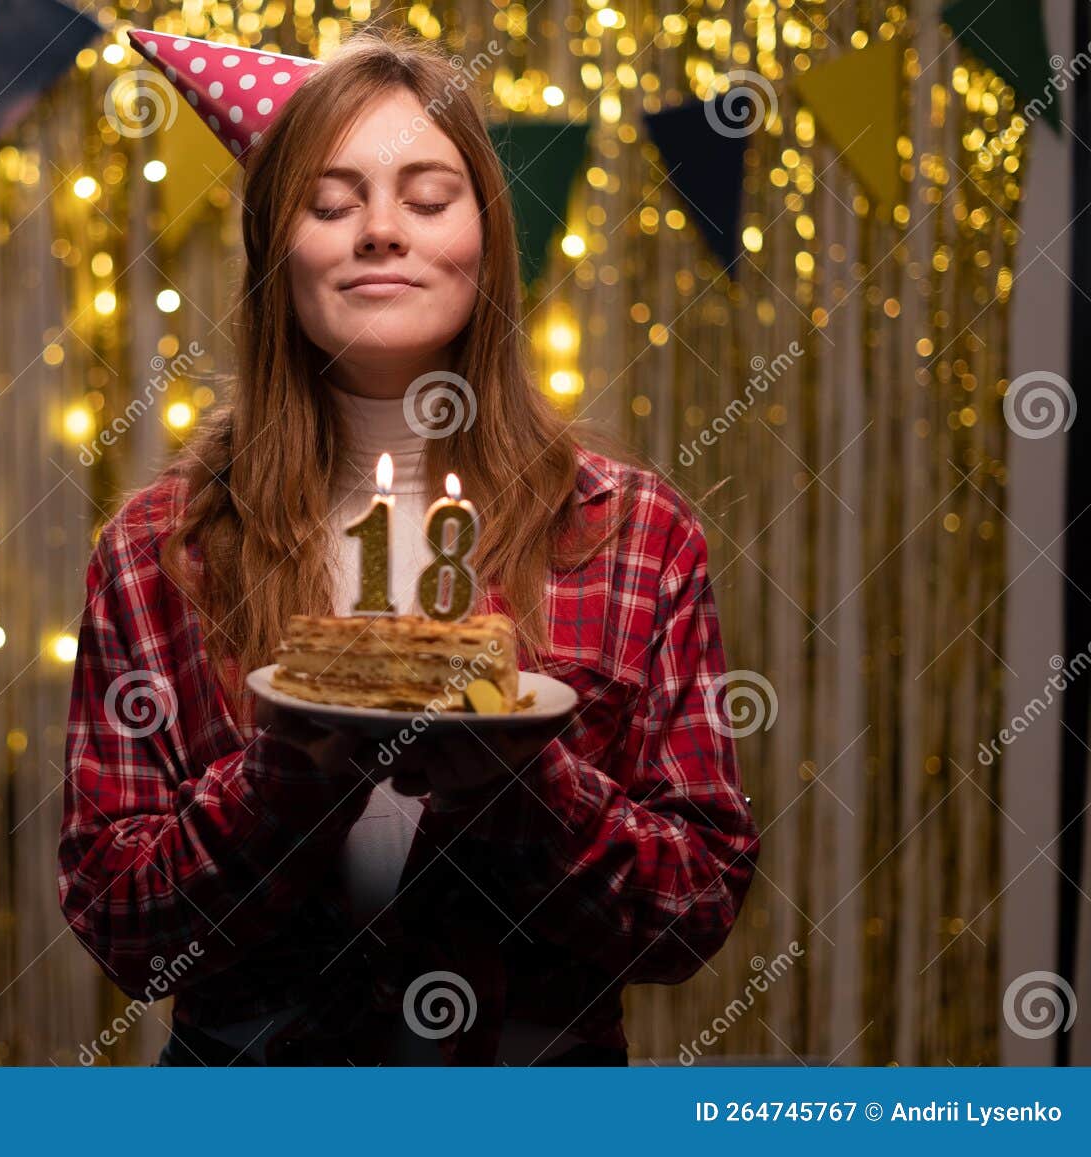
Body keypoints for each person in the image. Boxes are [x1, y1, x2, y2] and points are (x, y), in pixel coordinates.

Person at [58, 26, 759, 1066]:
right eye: (331, 204)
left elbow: (691, 909)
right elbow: (121, 919)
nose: (380, 230)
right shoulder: (160, 550)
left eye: (427, 199)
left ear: (488, 235)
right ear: (273, 253)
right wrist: (285, 782)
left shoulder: (634, 534)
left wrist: (524, 784)